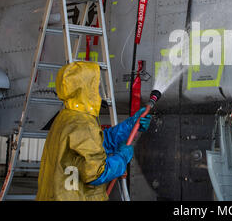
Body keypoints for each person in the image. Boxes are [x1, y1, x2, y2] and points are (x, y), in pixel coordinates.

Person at [36, 61, 150, 201]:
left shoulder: (67, 117)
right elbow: (96, 173)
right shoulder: (83, 124)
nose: (98, 90)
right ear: (85, 88)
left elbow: (96, 143)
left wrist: (130, 125)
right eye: (95, 85)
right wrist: (122, 158)